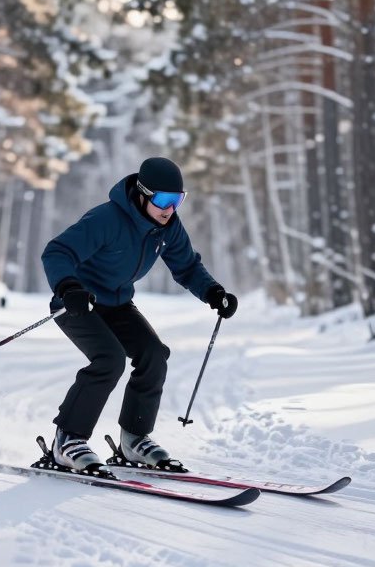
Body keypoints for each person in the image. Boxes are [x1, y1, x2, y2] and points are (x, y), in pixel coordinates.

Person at [41, 156, 238, 472]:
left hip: (118, 304)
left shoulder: (167, 227)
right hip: (78, 302)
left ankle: (134, 440)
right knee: (109, 360)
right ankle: (67, 440)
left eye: (178, 200)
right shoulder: (106, 219)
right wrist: (68, 287)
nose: (170, 208)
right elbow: (57, 251)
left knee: (154, 355)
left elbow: (186, 265)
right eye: (163, 200)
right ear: (143, 194)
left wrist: (213, 292)